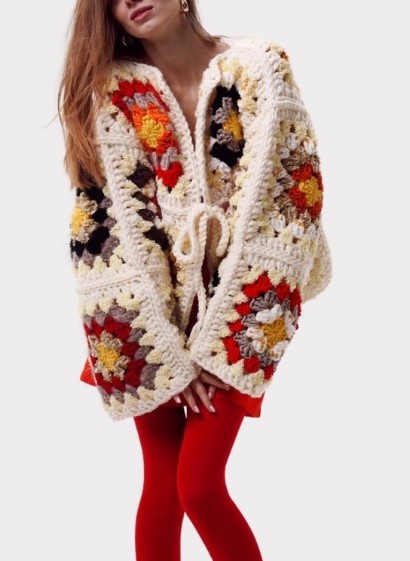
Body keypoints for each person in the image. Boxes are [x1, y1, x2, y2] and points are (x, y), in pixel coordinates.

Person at [58, 1, 332, 559]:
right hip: (145, 315)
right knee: (162, 487)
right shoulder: (114, 95)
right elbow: (107, 233)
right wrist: (168, 357)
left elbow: (288, 211)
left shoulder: (260, 70)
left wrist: (215, 350)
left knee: (200, 487)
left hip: (244, 310)